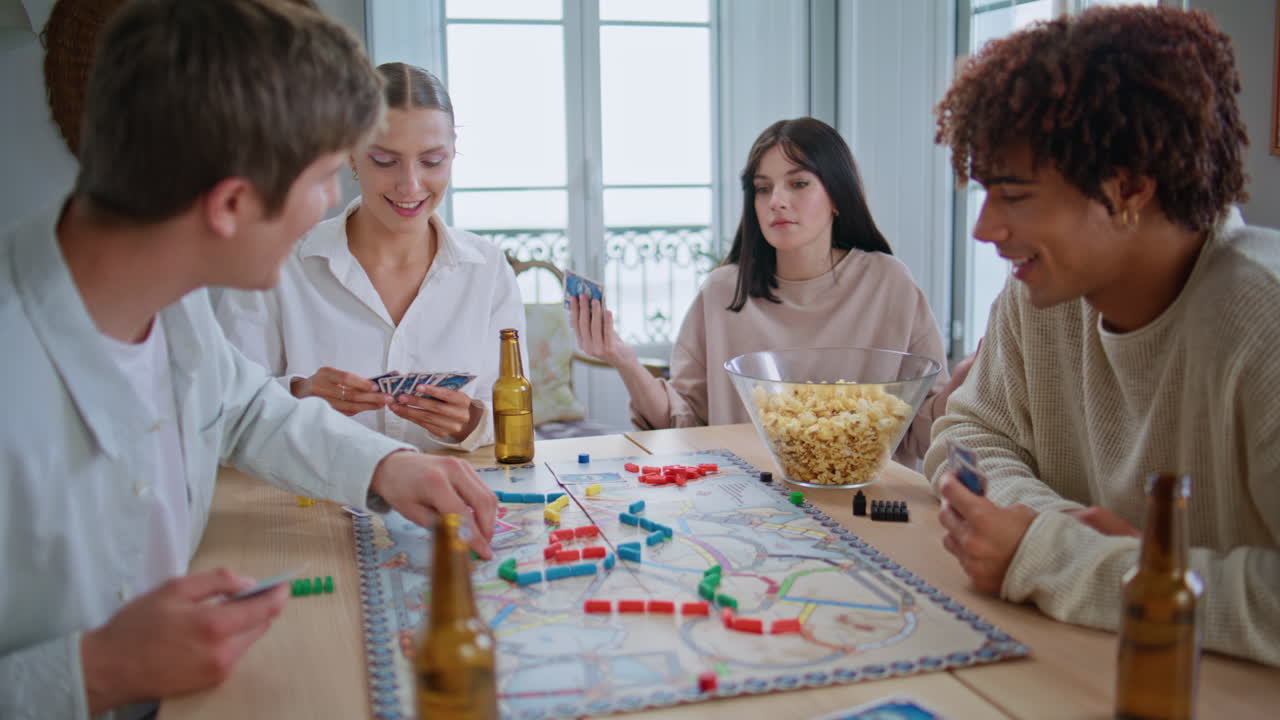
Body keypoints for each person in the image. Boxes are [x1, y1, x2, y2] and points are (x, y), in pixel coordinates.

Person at [0, 2, 498, 718]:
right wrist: (94, 672)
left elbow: (245, 409)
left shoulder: (177, 301)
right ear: (231, 204)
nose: (336, 203)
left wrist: (386, 467)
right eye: (330, 176)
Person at [926, 5, 1279, 666]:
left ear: (1130, 189)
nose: (984, 229)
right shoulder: (1044, 292)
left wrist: (1057, 556)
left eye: (1015, 195)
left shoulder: (1264, 323)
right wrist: (1050, 531)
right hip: (1077, 665)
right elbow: (968, 436)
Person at [572, 117, 971, 467]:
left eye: (798, 183)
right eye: (763, 188)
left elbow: (919, 433)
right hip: (746, 507)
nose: (776, 201)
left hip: (864, 508)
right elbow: (683, 425)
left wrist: (960, 392)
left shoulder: (889, 284)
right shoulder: (722, 293)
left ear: (837, 196)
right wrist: (622, 358)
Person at [216, 63, 524, 453]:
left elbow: (512, 414)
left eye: (432, 162)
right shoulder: (276, 263)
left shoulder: (488, 269)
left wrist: (470, 424)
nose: (410, 185)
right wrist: (300, 394)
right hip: (309, 503)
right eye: (384, 160)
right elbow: (222, 409)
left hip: (445, 503)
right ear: (350, 156)